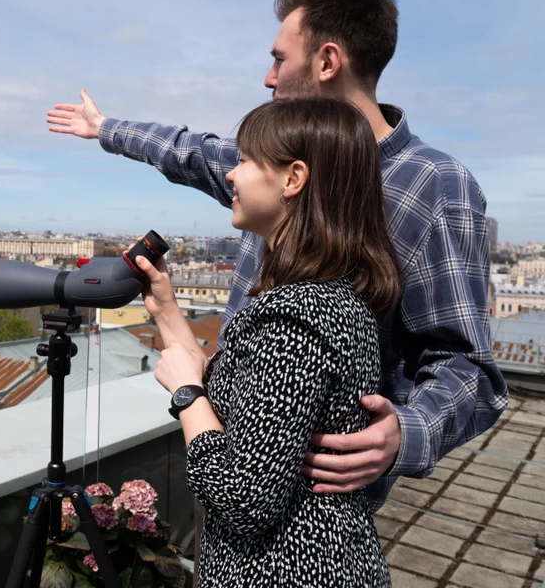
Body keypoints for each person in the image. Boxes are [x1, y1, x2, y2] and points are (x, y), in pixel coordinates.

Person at [46, 0, 508, 510]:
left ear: (327, 62)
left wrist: (407, 432)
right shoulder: (279, 168)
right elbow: (193, 151)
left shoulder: (433, 186)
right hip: (227, 454)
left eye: (279, 58)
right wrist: (106, 128)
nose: (268, 78)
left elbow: (466, 365)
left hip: (309, 505)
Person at [138, 96, 395, 585]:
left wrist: (186, 397)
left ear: (293, 179)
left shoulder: (295, 318)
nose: (231, 176)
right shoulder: (331, 296)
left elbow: (242, 500)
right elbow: (248, 405)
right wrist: (168, 311)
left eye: (246, 160)